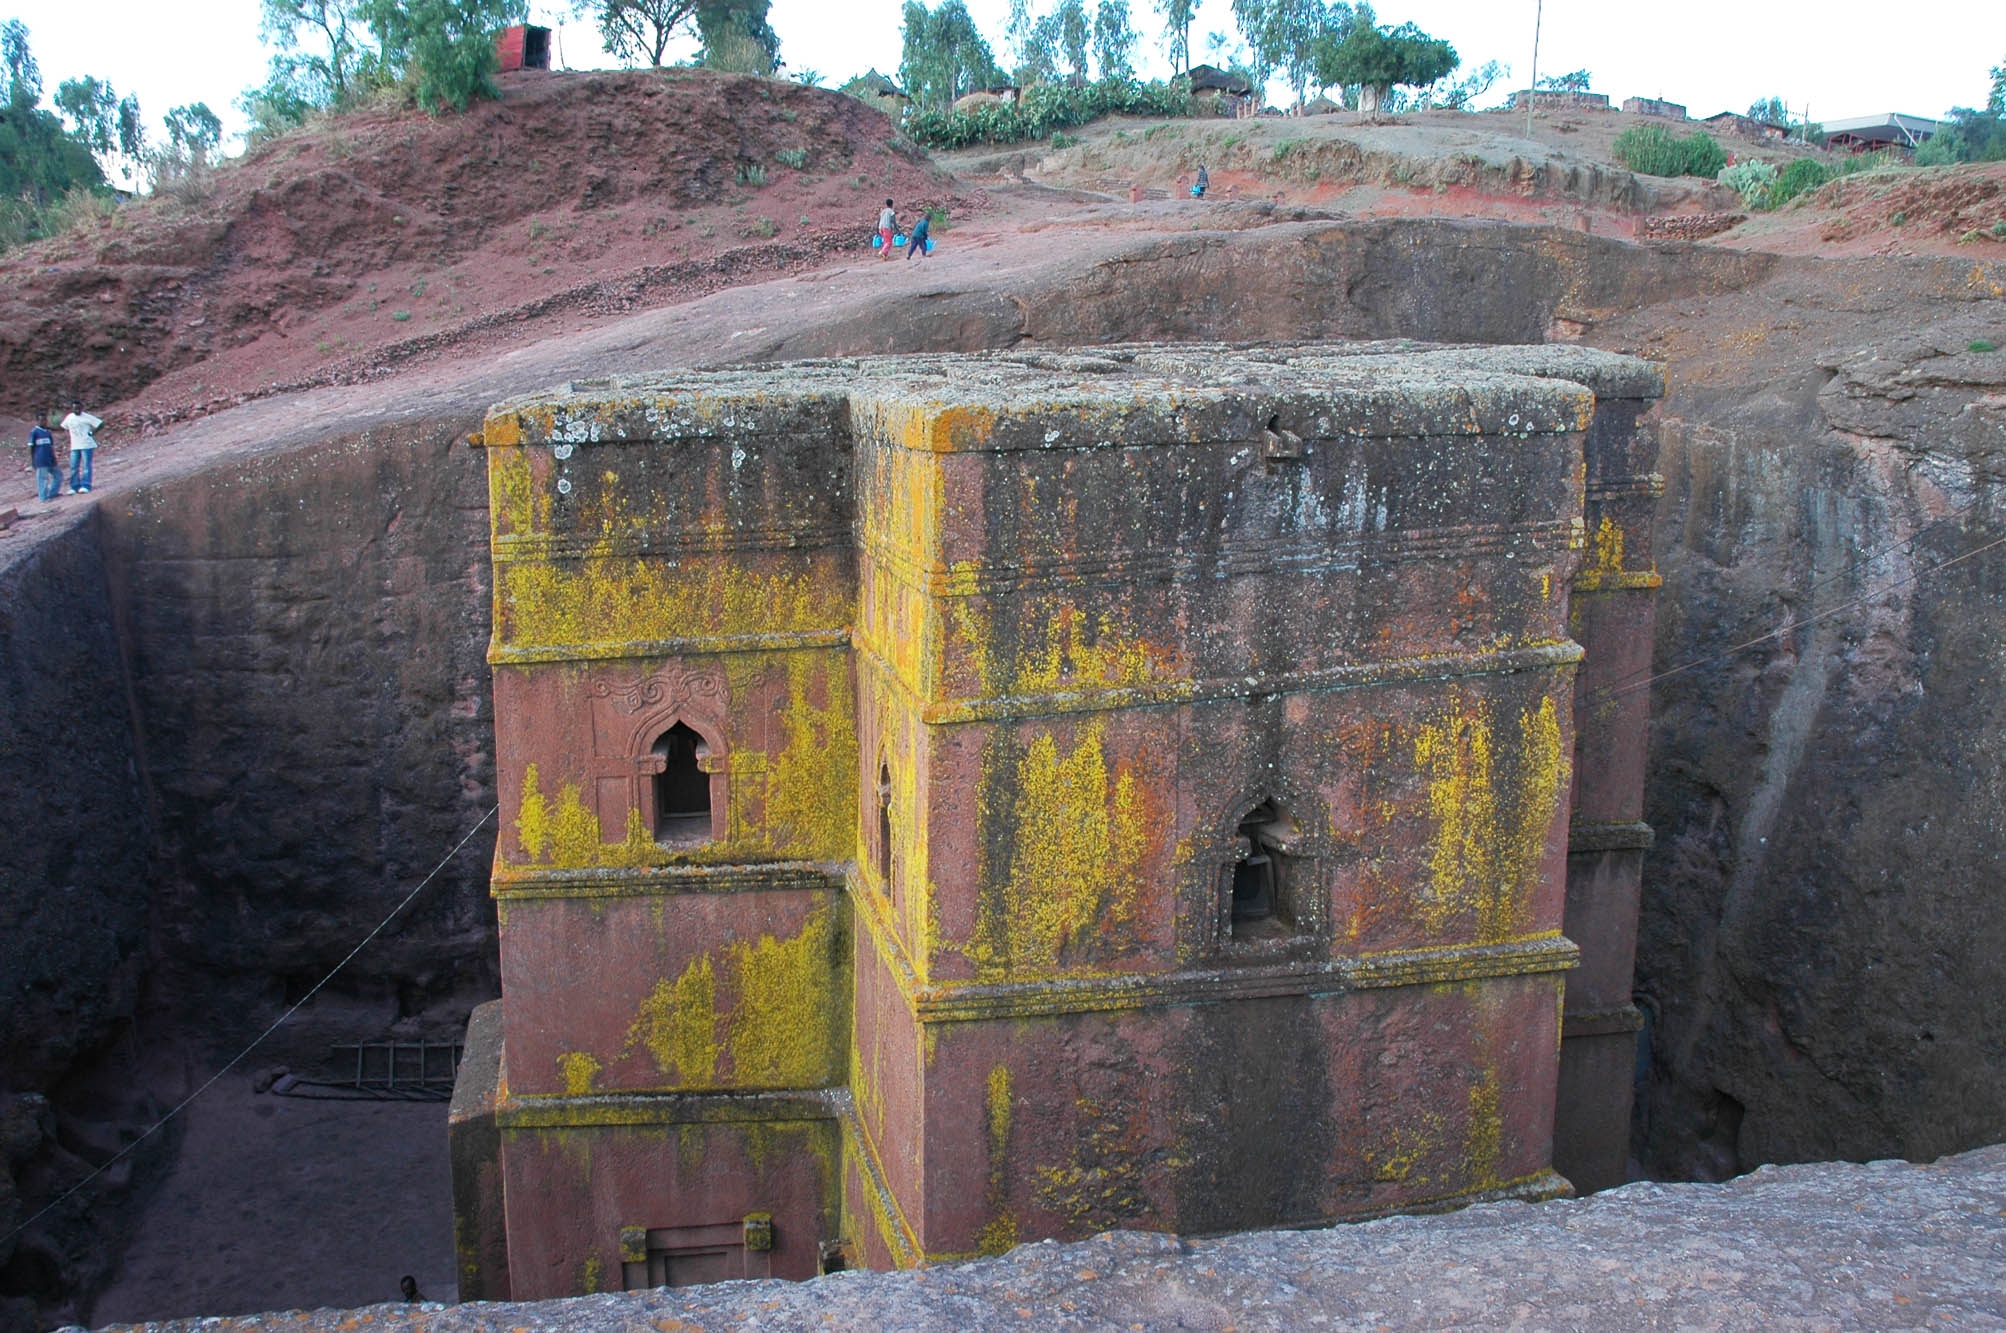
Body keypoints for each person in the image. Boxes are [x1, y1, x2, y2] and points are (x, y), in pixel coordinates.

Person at [60, 400, 101, 494]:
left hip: (86, 444)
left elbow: (100, 423)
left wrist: (92, 433)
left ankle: (86, 485)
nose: (76, 410)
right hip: (74, 445)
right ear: (72, 409)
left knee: (86, 465)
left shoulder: (86, 417)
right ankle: (74, 486)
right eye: (75, 408)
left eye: (78, 408)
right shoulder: (69, 417)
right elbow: (64, 427)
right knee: (73, 466)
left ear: (81, 408)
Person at [28, 411, 58, 503]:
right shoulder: (34, 432)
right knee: (42, 479)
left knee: (58, 475)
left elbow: (51, 447)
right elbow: (31, 447)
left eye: (45, 420)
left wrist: (54, 457)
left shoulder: (48, 433)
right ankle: (43, 498)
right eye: (41, 420)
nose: (44, 422)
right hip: (40, 460)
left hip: (49, 459)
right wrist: (32, 461)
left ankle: (52, 493)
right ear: (37, 421)